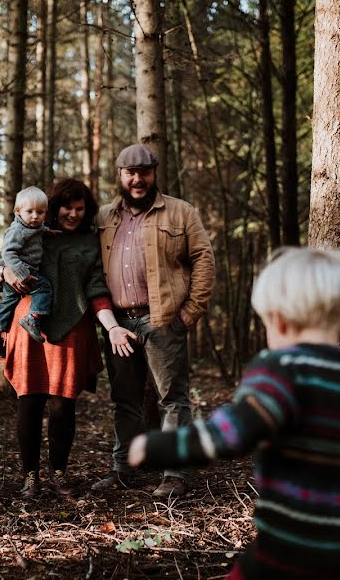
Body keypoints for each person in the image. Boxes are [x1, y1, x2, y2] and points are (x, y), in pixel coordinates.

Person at [128, 247, 340, 579]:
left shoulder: (281, 370)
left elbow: (232, 433)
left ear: (280, 320)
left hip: (288, 555)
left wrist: (158, 448)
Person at [0, 179, 136, 498]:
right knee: (29, 400)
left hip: (71, 331)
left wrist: (111, 326)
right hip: (28, 328)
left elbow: (96, 289)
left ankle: (58, 474)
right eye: (67, 207)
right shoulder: (33, 228)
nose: (73, 214)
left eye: (80, 209)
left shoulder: (89, 242)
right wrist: (1, 273)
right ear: (54, 208)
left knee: (63, 405)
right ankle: (30, 477)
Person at [90, 144, 215, 498]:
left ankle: (174, 473)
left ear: (154, 173)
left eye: (144, 171)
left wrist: (191, 310)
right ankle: (124, 470)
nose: (137, 179)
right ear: (119, 175)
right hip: (118, 326)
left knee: (173, 399)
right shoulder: (102, 217)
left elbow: (204, 260)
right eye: (130, 172)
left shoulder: (180, 212)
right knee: (124, 400)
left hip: (162, 319)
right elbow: (66, 246)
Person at [0, 186, 54, 357]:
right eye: (30, 211)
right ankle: (33, 318)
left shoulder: (32, 225)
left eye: (40, 212)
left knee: (8, 303)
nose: (35, 216)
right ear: (17, 211)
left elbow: (38, 229)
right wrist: (20, 273)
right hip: (22, 269)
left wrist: (49, 231)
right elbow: (8, 253)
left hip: (19, 271)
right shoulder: (17, 230)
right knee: (44, 287)